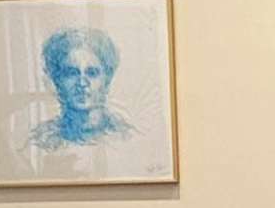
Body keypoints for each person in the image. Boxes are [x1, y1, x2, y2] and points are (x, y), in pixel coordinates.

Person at [11, 18, 169, 182]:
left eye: (92, 73)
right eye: (71, 73)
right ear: (56, 82)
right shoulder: (36, 147)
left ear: (106, 81)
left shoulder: (132, 141)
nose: (82, 83)